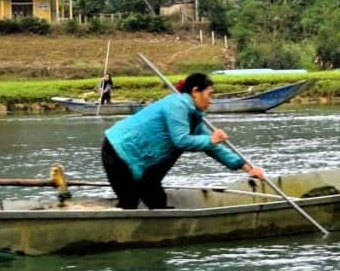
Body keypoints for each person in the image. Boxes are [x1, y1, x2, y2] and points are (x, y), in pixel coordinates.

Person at [101, 72, 265, 209]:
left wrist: (248, 168)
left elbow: (214, 148)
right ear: (195, 91)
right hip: (119, 151)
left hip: (142, 161)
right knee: (129, 202)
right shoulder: (177, 104)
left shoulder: (194, 116)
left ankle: (161, 223)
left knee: (157, 201)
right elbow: (181, 140)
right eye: (209, 94)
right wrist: (211, 139)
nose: (211, 100)